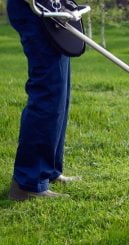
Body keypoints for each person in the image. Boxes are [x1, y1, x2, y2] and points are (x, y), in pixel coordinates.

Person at [7, 0, 80, 201]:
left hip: (52, 7)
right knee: (48, 91)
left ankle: (49, 171)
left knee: (60, 91)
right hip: (34, 8)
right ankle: (28, 182)